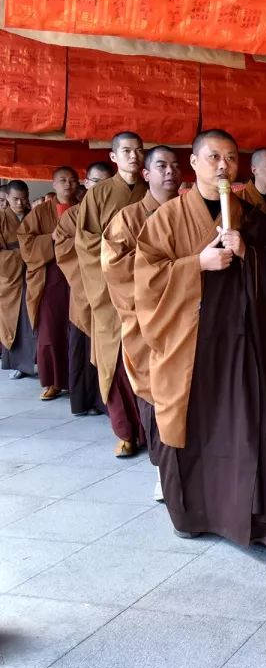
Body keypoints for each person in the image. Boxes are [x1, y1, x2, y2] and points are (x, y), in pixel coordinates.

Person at [135, 129, 266, 558]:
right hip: (191, 345)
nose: (223, 166)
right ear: (194, 163)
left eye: (230, 157)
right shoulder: (166, 219)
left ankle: (261, 524)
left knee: (255, 427)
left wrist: (250, 255)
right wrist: (196, 265)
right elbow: (145, 281)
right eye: (213, 157)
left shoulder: (252, 217)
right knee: (193, 429)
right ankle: (194, 516)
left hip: (247, 345)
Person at [102, 146, 181, 479]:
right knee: (155, 395)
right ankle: (164, 471)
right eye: (161, 165)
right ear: (146, 174)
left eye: (175, 166)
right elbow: (114, 268)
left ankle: (193, 467)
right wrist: (170, 275)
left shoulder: (189, 213)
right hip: (147, 322)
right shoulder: (128, 218)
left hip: (189, 319)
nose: (169, 172)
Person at [75, 133, 147, 456]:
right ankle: (126, 431)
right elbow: (86, 244)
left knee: (146, 360)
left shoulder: (154, 192)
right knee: (116, 361)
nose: (134, 156)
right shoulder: (99, 195)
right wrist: (119, 257)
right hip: (109, 291)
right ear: (114, 156)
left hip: (150, 290)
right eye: (127, 151)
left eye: (138, 151)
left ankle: (151, 429)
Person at [17, 167, 79, 400]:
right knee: (50, 332)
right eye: (62, 180)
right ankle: (52, 381)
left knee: (78, 331)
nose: (68, 184)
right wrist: (50, 239)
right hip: (50, 276)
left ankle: (78, 380)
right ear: (53, 184)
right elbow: (25, 242)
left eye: (72, 180)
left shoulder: (84, 207)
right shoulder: (40, 212)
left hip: (80, 277)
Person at [53, 175, 106, 418]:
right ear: (87, 183)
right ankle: (85, 399)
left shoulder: (124, 211)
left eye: (106, 182)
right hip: (84, 289)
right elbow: (63, 248)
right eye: (96, 182)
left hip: (115, 291)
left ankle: (109, 403)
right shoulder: (73, 215)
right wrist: (93, 268)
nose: (101, 188)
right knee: (83, 348)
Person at [1, 181, 36, 379]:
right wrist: (23, 253)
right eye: (15, 199)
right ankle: (16, 363)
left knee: (32, 319)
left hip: (34, 274)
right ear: (7, 197)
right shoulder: (1, 218)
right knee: (14, 321)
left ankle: (33, 361)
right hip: (11, 278)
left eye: (23, 198)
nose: (20, 203)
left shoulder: (34, 216)